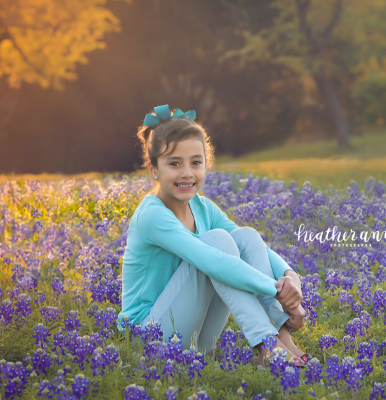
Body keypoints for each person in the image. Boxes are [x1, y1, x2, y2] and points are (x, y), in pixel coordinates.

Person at [118, 104, 312, 368]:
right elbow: (213, 261)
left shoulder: (203, 207)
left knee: (246, 236)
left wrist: (291, 279)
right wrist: (275, 291)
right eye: (174, 163)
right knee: (216, 244)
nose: (187, 172)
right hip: (150, 337)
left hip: (197, 339)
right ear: (154, 169)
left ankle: (280, 336)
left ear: (206, 165)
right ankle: (266, 344)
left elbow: (255, 248)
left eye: (196, 162)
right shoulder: (152, 215)